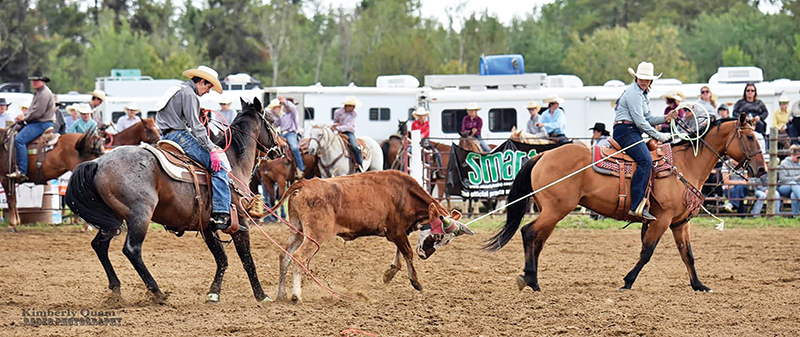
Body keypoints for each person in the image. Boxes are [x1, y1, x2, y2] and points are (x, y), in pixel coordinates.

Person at [155, 65, 233, 231]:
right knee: (220, 169)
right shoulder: (190, 95)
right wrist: (212, 149)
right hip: (179, 136)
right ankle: (221, 212)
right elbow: (196, 127)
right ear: (202, 82)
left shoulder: (177, 89)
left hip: (165, 135)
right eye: (208, 87)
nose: (208, 91)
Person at [612, 61, 676, 221]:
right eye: (642, 78)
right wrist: (659, 136)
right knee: (646, 161)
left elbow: (648, 118)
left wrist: (665, 118)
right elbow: (640, 121)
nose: (644, 81)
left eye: (647, 79)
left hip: (631, 130)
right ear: (636, 77)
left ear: (651, 81)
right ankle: (636, 205)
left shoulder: (642, 94)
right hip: (626, 131)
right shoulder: (634, 93)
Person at [8, 70, 57, 181]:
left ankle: (22, 171)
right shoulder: (40, 92)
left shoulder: (43, 94)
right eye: (32, 81)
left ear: (43, 81)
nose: (34, 83)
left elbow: (37, 113)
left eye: (36, 80)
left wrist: (24, 118)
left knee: (19, 140)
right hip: (40, 122)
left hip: (41, 123)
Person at [269, 96, 304, 178]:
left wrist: (285, 102)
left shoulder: (294, 113)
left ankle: (300, 168)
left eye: (286, 105)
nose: (285, 107)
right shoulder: (283, 116)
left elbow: (292, 107)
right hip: (282, 134)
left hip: (291, 133)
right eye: (284, 105)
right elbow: (275, 124)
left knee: (294, 147)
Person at [333, 96, 364, 171]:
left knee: (355, 146)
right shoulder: (338, 112)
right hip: (339, 132)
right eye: (352, 106)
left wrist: (337, 127)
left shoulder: (354, 114)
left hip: (349, 132)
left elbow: (348, 126)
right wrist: (335, 125)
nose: (353, 108)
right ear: (347, 106)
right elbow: (336, 121)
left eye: (354, 106)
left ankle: (359, 164)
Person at [411, 106, 443, 177]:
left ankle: (439, 171)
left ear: (424, 116)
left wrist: (422, 135)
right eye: (420, 116)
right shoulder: (414, 124)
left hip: (425, 140)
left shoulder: (426, 124)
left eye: (422, 116)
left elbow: (427, 132)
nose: (421, 117)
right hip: (416, 140)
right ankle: (405, 169)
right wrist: (419, 136)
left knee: (437, 153)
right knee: (408, 151)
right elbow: (413, 132)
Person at [777, 145, 800, 216]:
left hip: (797, 188)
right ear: (792, 155)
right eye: (798, 157)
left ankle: (796, 216)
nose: (799, 159)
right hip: (784, 187)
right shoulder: (784, 163)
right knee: (793, 184)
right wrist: (797, 178)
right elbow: (783, 179)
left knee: (794, 195)